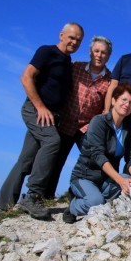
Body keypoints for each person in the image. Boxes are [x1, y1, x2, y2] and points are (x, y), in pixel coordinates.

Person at [0, 22, 84, 220]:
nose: (74, 42)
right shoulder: (47, 52)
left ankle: (1, 207)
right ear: (61, 35)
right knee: (53, 142)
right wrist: (41, 107)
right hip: (36, 110)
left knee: (25, 160)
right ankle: (33, 195)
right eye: (71, 37)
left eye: (78, 40)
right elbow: (26, 77)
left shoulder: (68, 63)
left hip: (50, 115)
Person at [45, 36, 113, 199]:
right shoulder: (75, 67)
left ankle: (76, 194)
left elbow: (106, 108)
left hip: (86, 128)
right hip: (65, 123)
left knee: (91, 161)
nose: (99, 55)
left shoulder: (110, 80)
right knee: (55, 160)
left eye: (103, 52)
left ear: (108, 56)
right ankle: (45, 196)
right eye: (96, 51)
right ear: (90, 52)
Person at [67, 83, 131, 223]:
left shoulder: (129, 130)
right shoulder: (99, 122)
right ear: (113, 100)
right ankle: (72, 206)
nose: (127, 104)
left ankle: (97, 199)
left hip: (106, 180)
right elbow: (98, 155)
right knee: (96, 202)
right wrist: (120, 180)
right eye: (123, 100)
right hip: (85, 176)